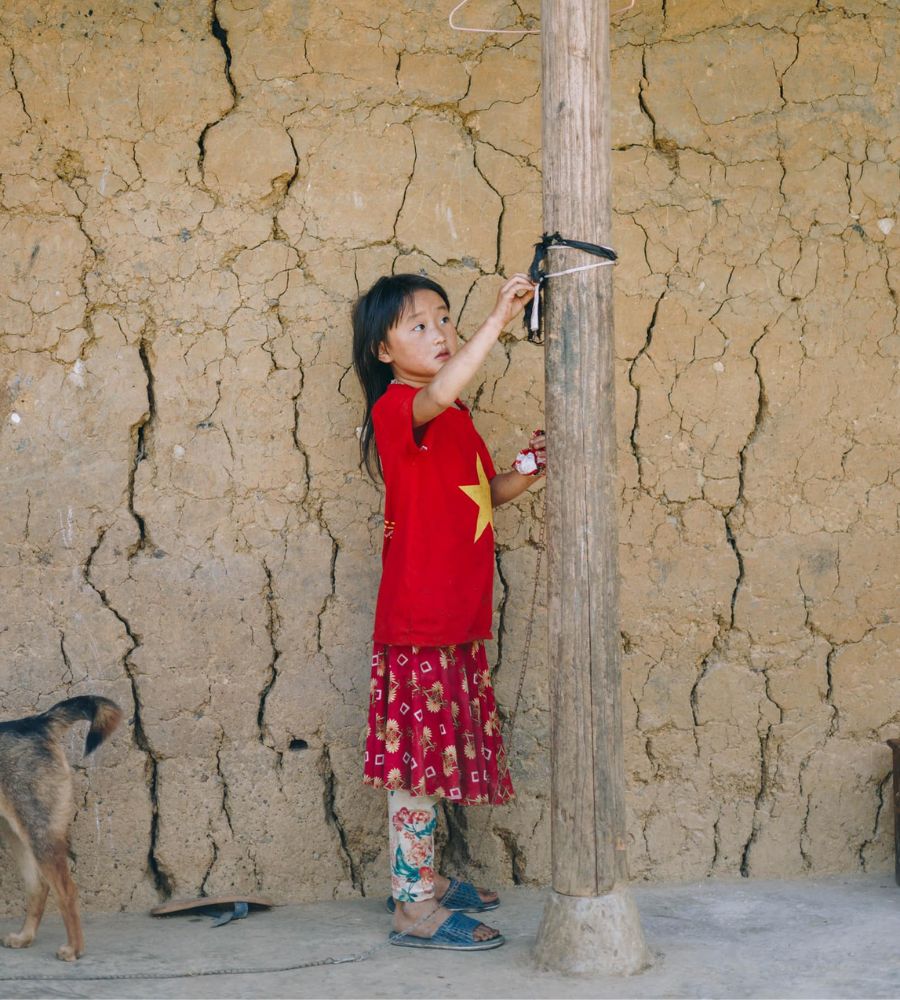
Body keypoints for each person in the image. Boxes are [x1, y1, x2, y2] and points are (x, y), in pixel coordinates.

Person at [350, 271, 545, 951]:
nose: (439, 333)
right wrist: (499, 319)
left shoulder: (455, 422)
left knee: (431, 762)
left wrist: (526, 470)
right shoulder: (400, 410)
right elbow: (439, 388)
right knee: (415, 765)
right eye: (419, 325)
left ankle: (423, 880)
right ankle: (412, 907)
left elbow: (479, 497)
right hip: (419, 623)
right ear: (383, 350)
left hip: (456, 622)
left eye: (444, 320)